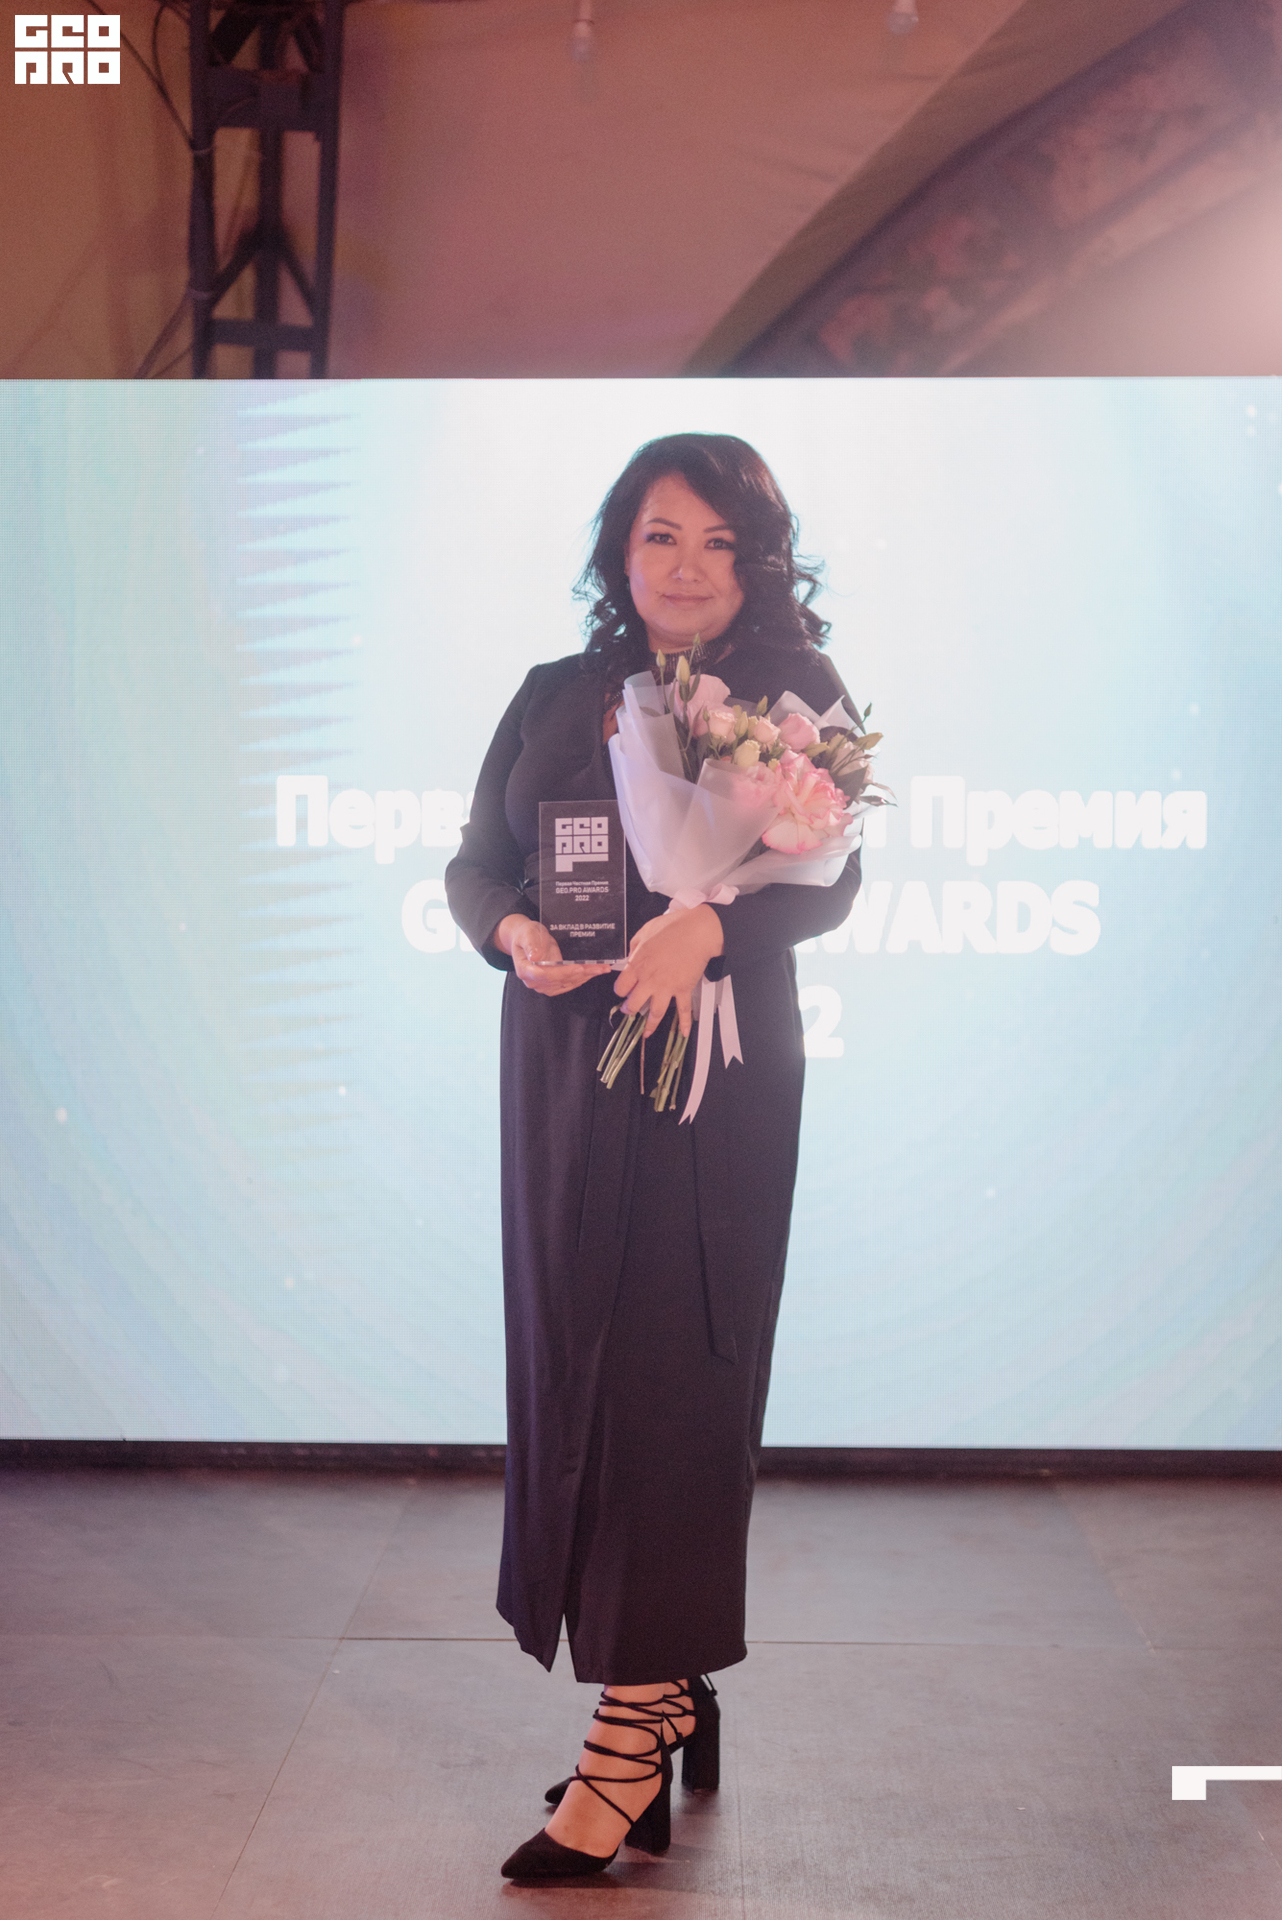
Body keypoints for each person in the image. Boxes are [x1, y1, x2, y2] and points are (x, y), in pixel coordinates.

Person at [445, 432, 863, 1880]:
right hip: (565, 1059)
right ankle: (656, 1678)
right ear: (618, 553)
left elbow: (831, 878)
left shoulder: (792, 693)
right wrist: (512, 931)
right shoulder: (558, 694)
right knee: (578, 1355)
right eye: (659, 537)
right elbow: (474, 861)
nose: (686, 568)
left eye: (717, 542)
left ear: (758, 561)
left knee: (680, 1366)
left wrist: (711, 924)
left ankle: (632, 1728)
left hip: (716, 1070)